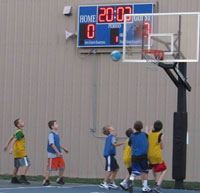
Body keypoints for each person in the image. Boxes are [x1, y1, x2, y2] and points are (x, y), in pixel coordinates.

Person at [3, 119, 30, 184]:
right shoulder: (20, 132)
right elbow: (14, 140)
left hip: (16, 152)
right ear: (18, 125)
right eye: (21, 122)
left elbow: (11, 138)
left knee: (16, 166)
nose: (23, 122)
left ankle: (14, 178)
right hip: (20, 151)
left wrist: (6, 145)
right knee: (27, 164)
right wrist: (11, 148)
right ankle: (22, 177)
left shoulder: (17, 131)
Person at [43, 120, 69, 186]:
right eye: (56, 124)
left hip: (58, 153)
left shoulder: (56, 134)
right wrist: (57, 152)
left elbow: (57, 144)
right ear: (52, 126)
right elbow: (52, 144)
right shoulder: (51, 134)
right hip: (53, 154)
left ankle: (59, 179)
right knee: (49, 168)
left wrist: (64, 149)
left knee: (62, 166)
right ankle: (46, 180)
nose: (57, 125)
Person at [128, 121, 151, 193]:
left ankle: (131, 179)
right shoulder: (144, 135)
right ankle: (145, 187)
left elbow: (130, 144)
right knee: (145, 171)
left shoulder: (131, 136)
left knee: (134, 171)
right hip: (143, 156)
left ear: (134, 128)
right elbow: (147, 135)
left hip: (134, 156)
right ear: (141, 127)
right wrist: (147, 130)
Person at [99, 125, 124, 190]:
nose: (112, 126)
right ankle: (104, 183)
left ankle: (112, 182)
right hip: (109, 155)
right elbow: (115, 144)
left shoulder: (111, 136)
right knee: (110, 170)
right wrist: (123, 143)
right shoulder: (111, 136)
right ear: (109, 130)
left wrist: (115, 137)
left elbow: (113, 142)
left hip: (111, 155)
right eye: (110, 126)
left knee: (116, 169)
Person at [147, 120, 167, 193]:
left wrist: (149, 129)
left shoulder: (150, 133)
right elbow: (162, 147)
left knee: (153, 167)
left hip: (149, 155)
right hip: (156, 155)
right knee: (164, 170)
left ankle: (156, 182)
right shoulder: (160, 135)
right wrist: (162, 140)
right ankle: (158, 186)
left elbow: (149, 134)